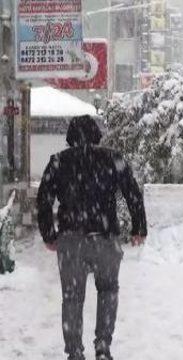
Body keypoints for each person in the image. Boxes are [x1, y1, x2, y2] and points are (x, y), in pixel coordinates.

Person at [37, 115, 147, 360]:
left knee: (72, 297)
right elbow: (132, 193)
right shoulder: (113, 158)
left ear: (70, 137)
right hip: (106, 237)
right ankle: (103, 346)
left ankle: (75, 352)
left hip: (71, 240)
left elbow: (44, 200)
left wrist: (48, 234)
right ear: (97, 135)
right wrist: (139, 227)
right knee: (108, 290)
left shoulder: (58, 162)